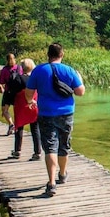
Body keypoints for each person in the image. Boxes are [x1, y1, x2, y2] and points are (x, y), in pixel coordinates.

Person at [24, 43, 85, 197]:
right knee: (64, 145)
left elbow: (29, 92)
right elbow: (80, 92)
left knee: (50, 147)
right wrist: (80, 79)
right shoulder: (69, 70)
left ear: (48, 55)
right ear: (62, 54)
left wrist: (31, 102)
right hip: (66, 114)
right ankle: (62, 174)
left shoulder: (39, 70)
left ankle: (51, 183)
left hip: (46, 113)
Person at [9, 58, 41, 161]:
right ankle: (37, 152)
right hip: (33, 105)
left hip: (21, 106)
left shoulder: (18, 79)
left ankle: (17, 151)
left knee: (19, 128)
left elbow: (12, 92)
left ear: (22, 67)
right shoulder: (36, 78)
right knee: (35, 129)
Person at [0, 53, 23, 136]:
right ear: (14, 59)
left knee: (5, 111)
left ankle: (11, 124)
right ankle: (18, 127)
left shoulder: (4, 70)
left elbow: (1, 82)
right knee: (17, 110)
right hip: (18, 93)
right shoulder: (19, 68)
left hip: (8, 92)